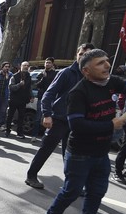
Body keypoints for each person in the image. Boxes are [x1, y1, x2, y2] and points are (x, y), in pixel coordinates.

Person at [37, 49, 126, 214]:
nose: (107, 65)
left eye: (107, 61)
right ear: (86, 71)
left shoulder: (111, 82)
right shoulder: (78, 93)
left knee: (97, 191)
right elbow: (77, 126)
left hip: (101, 152)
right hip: (80, 153)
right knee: (71, 191)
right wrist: (111, 125)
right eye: (100, 63)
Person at [25, 43, 94, 189]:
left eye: (87, 55)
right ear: (76, 54)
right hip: (59, 119)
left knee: (70, 154)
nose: (83, 57)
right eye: (81, 53)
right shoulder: (66, 73)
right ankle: (31, 175)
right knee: (46, 149)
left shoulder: (90, 77)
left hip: (76, 122)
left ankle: (71, 183)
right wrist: (47, 114)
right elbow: (48, 95)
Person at [5, 61, 32, 138]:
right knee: (10, 116)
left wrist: (31, 96)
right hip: (14, 99)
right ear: (21, 66)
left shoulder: (28, 76)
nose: (26, 67)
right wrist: (19, 85)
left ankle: (19, 132)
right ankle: (7, 130)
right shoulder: (14, 76)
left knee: (21, 116)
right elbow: (11, 87)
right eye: (24, 65)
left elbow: (29, 88)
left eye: (27, 65)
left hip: (23, 100)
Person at [31, 57, 56, 141]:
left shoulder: (55, 74)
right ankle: (34, 135)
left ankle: (47, 136)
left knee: (50, 117)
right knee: (38, 117)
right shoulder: (41, 73)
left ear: (52, 64)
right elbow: (36, 85)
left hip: (51, 98)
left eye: (49, 63)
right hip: (41, 97)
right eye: (46, 62)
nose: (47, 64)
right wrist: (43, 78)